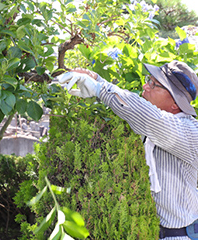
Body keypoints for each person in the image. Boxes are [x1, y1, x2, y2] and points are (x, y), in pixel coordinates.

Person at [59, 61, 198, 240]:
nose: (145, 86)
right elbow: (136, 107)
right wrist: (96, 80)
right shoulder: (160, 126)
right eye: (149, 79)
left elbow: (149, 116)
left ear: (175, 104)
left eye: (154, 84)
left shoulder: (188, 132)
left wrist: (100, 89)